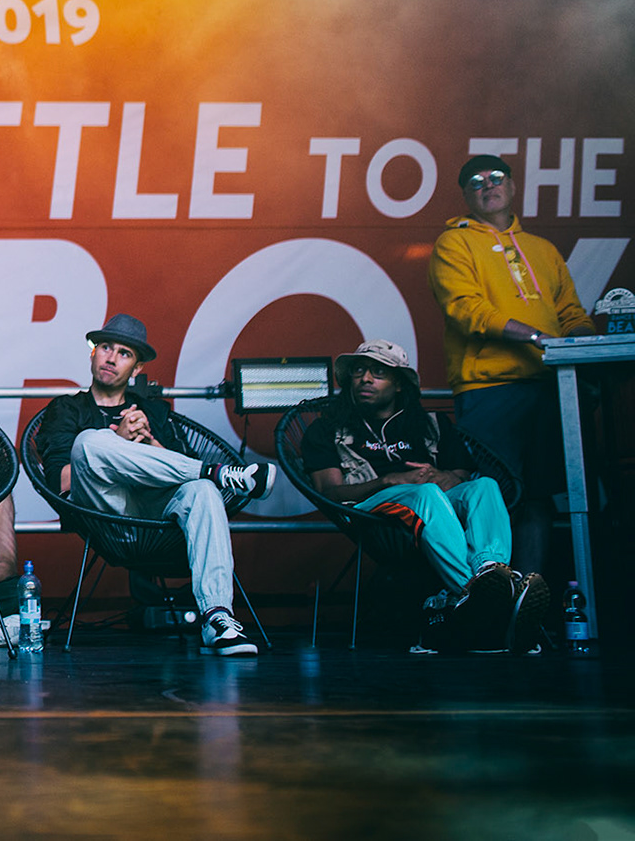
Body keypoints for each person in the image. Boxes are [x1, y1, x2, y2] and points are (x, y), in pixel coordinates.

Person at [33, 313, 271, 657]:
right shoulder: (67, 409)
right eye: (105, 347)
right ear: (93, 354)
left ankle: (217, 618)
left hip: (156, 520)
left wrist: (149, 444)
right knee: (90, 441)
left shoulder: (154, 412)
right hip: (105, 515)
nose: (111, 358)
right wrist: (119, 441)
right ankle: (218, 473)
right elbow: (60, 482)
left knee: (202, 490)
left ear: (137, 368)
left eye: (124, 353)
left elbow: (183, 481)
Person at [302, 339, 547, 652]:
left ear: (399, 384)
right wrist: (387, 481)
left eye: (378, 372)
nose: (365, 378)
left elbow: (461, 474)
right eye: (359, 371)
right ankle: (473, 592)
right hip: (370, 510)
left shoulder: (430, 425)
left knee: (484, 486)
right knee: (426, 493)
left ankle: (490, 573)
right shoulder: (328, 429)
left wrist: (447, 477)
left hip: (432, 501)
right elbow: (330, 492)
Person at [428, 154, 593, 578]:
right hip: (489, 390)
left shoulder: (543, 249)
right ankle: (490, 594)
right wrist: (536, 337)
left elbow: (570, 313)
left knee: (539, 496)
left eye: (496, 177)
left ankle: (527, 595)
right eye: (476, 181)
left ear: (513, 186)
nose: (488, 185)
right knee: (494, 496)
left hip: (551, 385)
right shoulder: (454, 243)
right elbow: (466, 309)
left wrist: (585, 343)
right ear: (466, 196)